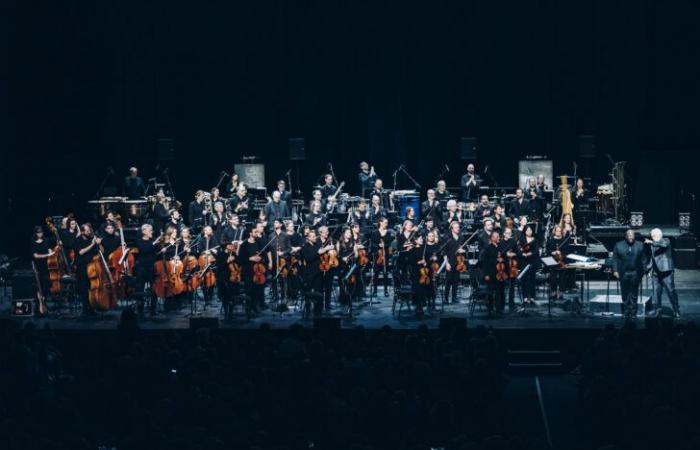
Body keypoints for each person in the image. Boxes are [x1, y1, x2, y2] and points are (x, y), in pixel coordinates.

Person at [612, 229, 647, 320]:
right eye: (629, 235)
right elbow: (614, 259)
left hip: (635, 272)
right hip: (623, 273)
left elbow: (643, 259)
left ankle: (633, 312)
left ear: (634, 236)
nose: (631, 237)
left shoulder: (640, 245)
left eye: (632, 235)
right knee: (625, 293)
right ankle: (626, 312)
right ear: (626, 236)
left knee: (634, 293)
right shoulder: (618, 245)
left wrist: (644, 270)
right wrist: (615, 271)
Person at [645, 228, 680, 318]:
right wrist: (649, 269)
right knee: (656, 292)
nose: (652, 237)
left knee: (671, 291)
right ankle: (657, 310)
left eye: (654, 236)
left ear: (659, 235)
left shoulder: (666, 240)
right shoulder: (653, 244)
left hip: (666, 271)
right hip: (656, 273)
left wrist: (651, 242)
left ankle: (676, 310)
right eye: (652, 236)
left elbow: (663, 245)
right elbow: (653, 258)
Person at [480, 231, 506, 315]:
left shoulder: (501, 247)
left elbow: (504, 258)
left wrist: (503, 260)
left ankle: (499, 308)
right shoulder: (487, 248)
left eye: (499, 236)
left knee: (500, 291)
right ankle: (490, 308)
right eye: (497, 237)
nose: (499, 238)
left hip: (500, 273)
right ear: (492, 238)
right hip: (491, 273)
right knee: (491, 292)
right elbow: (485, 262)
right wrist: (486, 274)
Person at [31, 226, 54, 308]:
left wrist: (51, 251)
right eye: (38, 233)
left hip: (46, 266)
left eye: (41, 232)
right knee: (38, 286)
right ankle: (38, 304)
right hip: (37, 266)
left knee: (46, 284)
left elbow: (49, 249)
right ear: (35, 233)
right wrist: (47, 255)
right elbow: (35, 256)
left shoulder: (46, 240)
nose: (40, 234)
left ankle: (44, 302)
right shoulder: (33, 242)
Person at [443, 220, 465, 304]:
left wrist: (462, 250)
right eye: (456, 227)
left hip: (459, 262)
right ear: (451, 229)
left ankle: (454, 298)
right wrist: (446, 263)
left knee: (456, 281)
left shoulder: (461, 237)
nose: (458, 229)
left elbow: (465, 249)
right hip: (450, 261)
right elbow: (444, 252)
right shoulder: (447, 237)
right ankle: (445, 298)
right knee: (448, 281)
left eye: (458, 227)